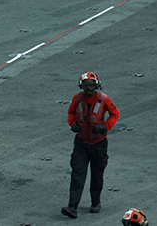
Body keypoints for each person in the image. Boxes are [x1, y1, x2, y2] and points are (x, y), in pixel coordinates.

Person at [61, 71, 119, 218]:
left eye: (91, 86)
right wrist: (72, 123)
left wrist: (105, 127)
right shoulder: (77, 98)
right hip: (81, 143)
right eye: (85, 86)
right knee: (77, 173)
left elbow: (115, 113)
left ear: (96, 86)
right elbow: (71, 113)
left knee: (97, 174)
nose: (88, 89)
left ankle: (95, 202)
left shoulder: (104, 99)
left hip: (98, 143)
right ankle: (72, 206)